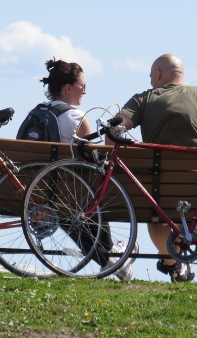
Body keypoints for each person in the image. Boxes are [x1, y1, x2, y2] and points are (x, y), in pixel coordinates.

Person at [108, 53, 197, 282]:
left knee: (155, 213)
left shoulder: (143, 99)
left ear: (158, 73)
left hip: (156, 189)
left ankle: (174, 263)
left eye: (150, 76)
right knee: (186, 208)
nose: (150, 81)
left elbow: (113, 135)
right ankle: (179, 263)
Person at [37, 58, 138, 281]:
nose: (85, 90)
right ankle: (112, 258)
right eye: (82, 85)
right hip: (72, 194)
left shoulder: (34, 115)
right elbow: (92, 163)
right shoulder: (76, 117)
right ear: (67, 88)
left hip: (37, 195)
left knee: (71, 205)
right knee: (96, 187)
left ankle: (111, 260)